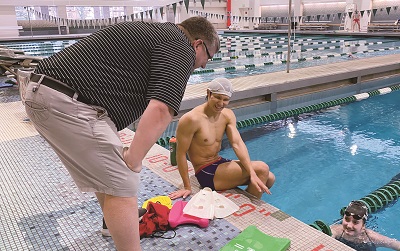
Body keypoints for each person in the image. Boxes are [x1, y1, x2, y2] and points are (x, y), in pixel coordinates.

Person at [23, 16, 219, 251]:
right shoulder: (181, 46)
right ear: (197, 44)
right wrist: (133, 161)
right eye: (208, 55)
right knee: (123, 180)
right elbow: (161, 108)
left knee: (107, 168)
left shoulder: (158, 33)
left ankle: (111, 222)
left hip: (44, 92)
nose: (205, 64)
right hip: (67, 101)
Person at [169, 78, 275, 200]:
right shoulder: (191, 119)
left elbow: (237, 143)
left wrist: (252, 173)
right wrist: (187, 187)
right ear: (209, 93)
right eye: (218, 97)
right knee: (262, 169)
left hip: (219, 162)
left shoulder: (227, 115)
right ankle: (253, 207)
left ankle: (247, 198)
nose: (221, 103)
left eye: (225, 100)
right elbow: (180, 153)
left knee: (269, 178)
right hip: (205, 171)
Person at [330, 201, 400, 251]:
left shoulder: (372, 239)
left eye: (355, 222)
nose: (349, 226)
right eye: (347, 219)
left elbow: (395, 244)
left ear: (363, 226)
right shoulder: (337, 230)